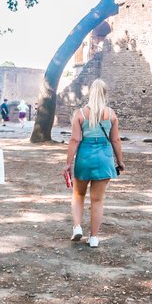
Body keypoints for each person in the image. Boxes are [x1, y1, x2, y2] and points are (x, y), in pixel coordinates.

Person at [63, 79, 124, 248]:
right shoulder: (111, 115)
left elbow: (75, 140)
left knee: (78, 195)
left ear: (90, 93)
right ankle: (94, 237)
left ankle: (77, 227)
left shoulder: (80, 114)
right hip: (104, 158)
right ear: (105, 94)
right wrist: (120, 161)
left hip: (84, 157)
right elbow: (116, 140)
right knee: (97, 200)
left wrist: (68, 163)